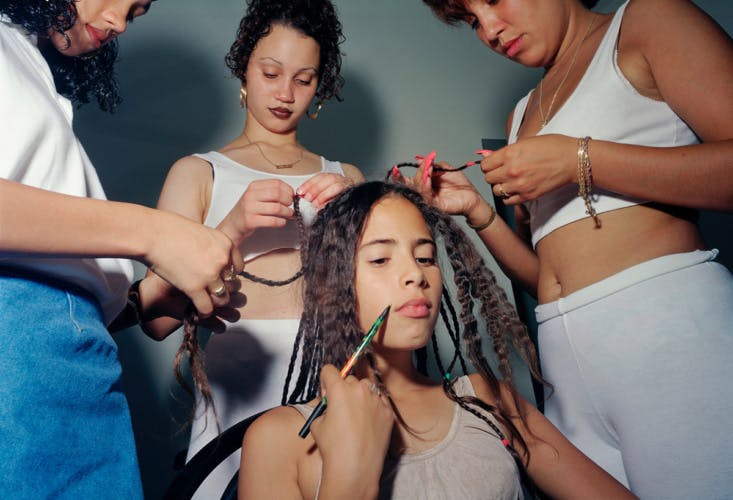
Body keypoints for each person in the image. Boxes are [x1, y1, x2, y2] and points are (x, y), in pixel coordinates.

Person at [416, 0, 733, 498]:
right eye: (473, 20)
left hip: (664, 332)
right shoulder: (521, 114)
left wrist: (579, 159)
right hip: (563, 358)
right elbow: (545, 276)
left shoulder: (648, 21)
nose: (491, 30)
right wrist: (478, 212)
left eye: (494, 0)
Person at [238, 181, 634, 499]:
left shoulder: (486, 398)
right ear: (332, 283)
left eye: (425, 256)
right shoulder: (277, 439)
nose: (417, 275)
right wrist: (349, 474)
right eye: (380, 259)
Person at [0, 0, 247, 498]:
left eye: (134, 13)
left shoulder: (24, 59)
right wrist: (155, 234)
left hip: (67, 360)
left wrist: (138, 303)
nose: (117, 22)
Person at [140, 0, 363, 496]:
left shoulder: (344, 176)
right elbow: (155, 321)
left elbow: (380, 303)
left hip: (329, 380)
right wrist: (232, 226)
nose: (285, 93)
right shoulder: (198, 172)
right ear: (244, 70)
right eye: (270, 72)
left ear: (319, 87)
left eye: (304, 80)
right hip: (236, 383)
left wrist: (357, 214)